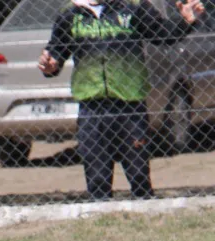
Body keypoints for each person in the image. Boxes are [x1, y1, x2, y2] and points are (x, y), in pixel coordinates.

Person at [39, 0, 206, 201]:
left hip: (130, 103)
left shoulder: (133, 6)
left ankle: (144, 209)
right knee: (97, 174)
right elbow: (56, 52)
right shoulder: (70, 13)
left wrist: (185, 22)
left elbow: (163, 34)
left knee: (138, 171)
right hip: (92, 105)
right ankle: (100, 214)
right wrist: (50, 65)